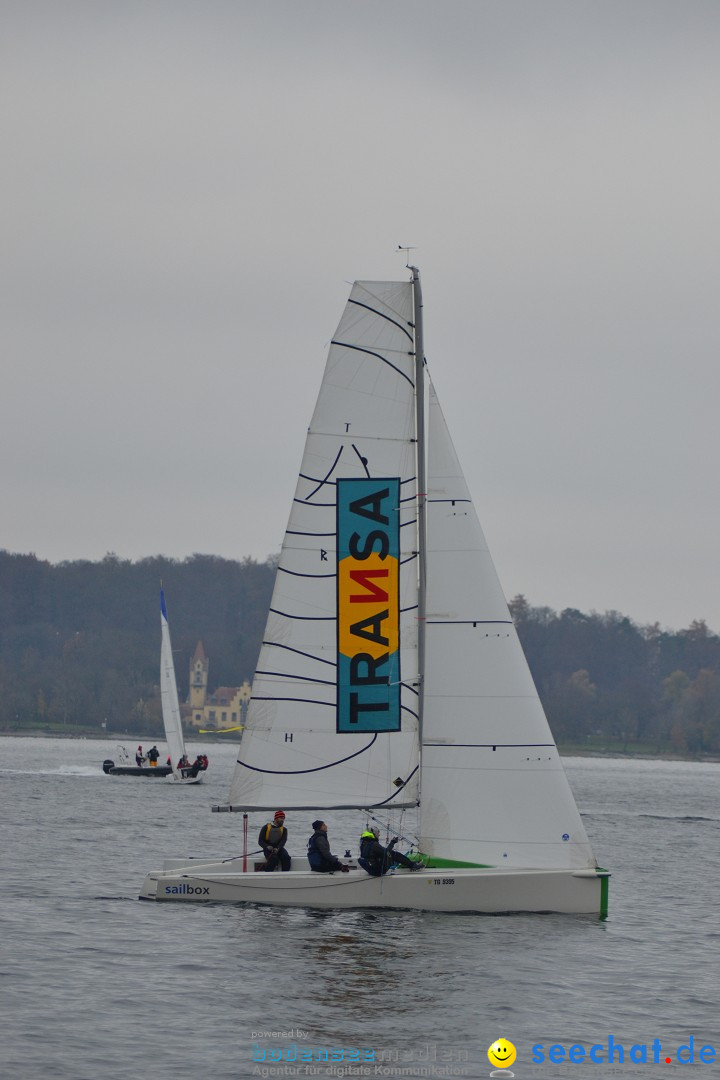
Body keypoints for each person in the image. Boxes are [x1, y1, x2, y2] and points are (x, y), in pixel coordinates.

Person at [358, 826, 423, 876]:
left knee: (388, 854)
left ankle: (410, 864)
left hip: (370, 869)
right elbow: (387, 852)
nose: (379, 835)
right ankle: (413, 865)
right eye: (378, 833)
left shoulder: (364, 842)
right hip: (377, 871)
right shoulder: (373, 844)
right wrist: (392, 842)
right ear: (374, 833)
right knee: (393, 854)